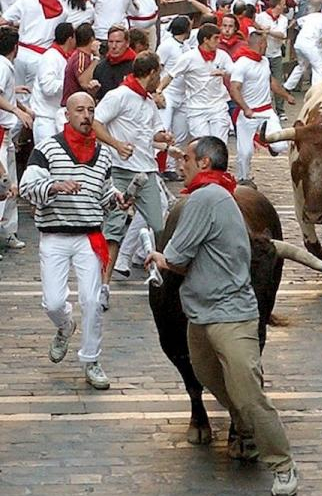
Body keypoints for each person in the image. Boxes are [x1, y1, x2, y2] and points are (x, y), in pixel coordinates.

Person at [145, 135, 299, 496]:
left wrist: (157, 257)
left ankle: (283, 465)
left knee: (249, 396)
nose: (179, 164)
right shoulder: (220, 194)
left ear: (203, 163)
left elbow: (179, 258)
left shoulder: (206, 198)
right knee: (206, 375)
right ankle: (246, 425)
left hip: (229, 316)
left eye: (186, 158)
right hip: (201, 314)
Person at [18, 92, 127, 390]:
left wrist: (117, 199)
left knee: (92, 301)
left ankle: (91, 359)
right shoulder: (48, 149)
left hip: (88, 236)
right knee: (53, 302)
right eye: (80, 110)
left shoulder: (103, 154)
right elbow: (28, 186)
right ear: (67, 115)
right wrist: (54, 186)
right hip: (54, 234)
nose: (86, 115)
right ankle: (65, 326)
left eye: (91, 110)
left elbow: (102, 194)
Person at [94, 51, 174, 311]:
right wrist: (116, 144)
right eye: (158, 74)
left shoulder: (148, 101)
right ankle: (103, 286)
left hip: (146, 172)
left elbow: (152, 133)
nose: (159, 79)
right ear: (151, 74)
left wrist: (165, 137)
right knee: (113, 230)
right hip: (119, 170)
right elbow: (96, 123)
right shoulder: (119, 96)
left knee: (159, 226)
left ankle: (165, 273)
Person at [229, 31, 293, 183]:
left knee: (280, 145)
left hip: (266, 110)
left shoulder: (264, 61)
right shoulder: (241, 64)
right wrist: (245, 108)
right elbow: (234, 88)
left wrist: (286, 95)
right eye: (266, 43)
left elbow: (271, 82)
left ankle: (267, 143)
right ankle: (243, 179)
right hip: (247, 114)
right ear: (261, 44)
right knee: (245, 153)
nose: (267, 46)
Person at [156, 23, 234, 142]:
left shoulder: (222, 55)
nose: (219, 41)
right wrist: (159, 90)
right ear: (205, 40)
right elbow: (171, 75)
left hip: (218, 106)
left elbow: (233, 70)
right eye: (216, 38)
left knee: (220, 144)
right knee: (202, 145)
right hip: (196, 108)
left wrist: (223, 73)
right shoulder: (189, 57)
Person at [0, 0, 68, 93]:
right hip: (39, 57)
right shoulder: (64, 12)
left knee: (12, 92)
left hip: (19, 53)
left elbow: (3, 20)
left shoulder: (26, 0)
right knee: (30, 94)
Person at [0, 26, 32, 252]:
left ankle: (7, 232)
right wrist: (16, 111)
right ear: (16, 47)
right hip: (1, 132)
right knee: (4, 186)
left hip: (6, 134)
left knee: (12, 185)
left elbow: (5, 93)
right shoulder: (3, 67)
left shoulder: (5, 67)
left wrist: (20, 106)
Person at [156, 15, 191, 181]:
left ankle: (172, 167)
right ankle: (160, 167)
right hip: (168, 93)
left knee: (181, 133)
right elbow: (157, 68)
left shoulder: (186, 46)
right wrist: (157, 91)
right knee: (165, 130)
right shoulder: (167, 46)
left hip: (182, 95)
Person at [30, 22, 75, 144]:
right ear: (70, 39)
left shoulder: (65, 57)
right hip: (45, 119)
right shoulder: (50, 57)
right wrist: (70, 84)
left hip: (57, 117)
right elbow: (48, 87)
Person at [283, 1, 322, 89]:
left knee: (301, 66)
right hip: (310, 45)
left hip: (299, 43)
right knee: (320, 67)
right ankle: (316, 90)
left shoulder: (312, 15)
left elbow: (295, 22)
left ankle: (288, 86)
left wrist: (289, 36)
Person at [255, 0, 289, 121]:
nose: (285, 6)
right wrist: (261, 30)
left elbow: (282, 35)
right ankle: (264, 107)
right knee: (261, 82)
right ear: (278, 5)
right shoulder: (261, 17)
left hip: (276, 54)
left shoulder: (283, 19)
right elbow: (254, 30)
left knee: (278, 81)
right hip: (262, 54)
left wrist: (268, 32)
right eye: (283, 4)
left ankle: (280, 110)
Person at [92, 25, 136, 101]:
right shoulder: (101, 68)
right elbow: (97, 98)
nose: (114, 46)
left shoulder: (137, 66)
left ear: (127, 43)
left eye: (118, 42)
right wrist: (92, 92)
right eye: (111, 42)